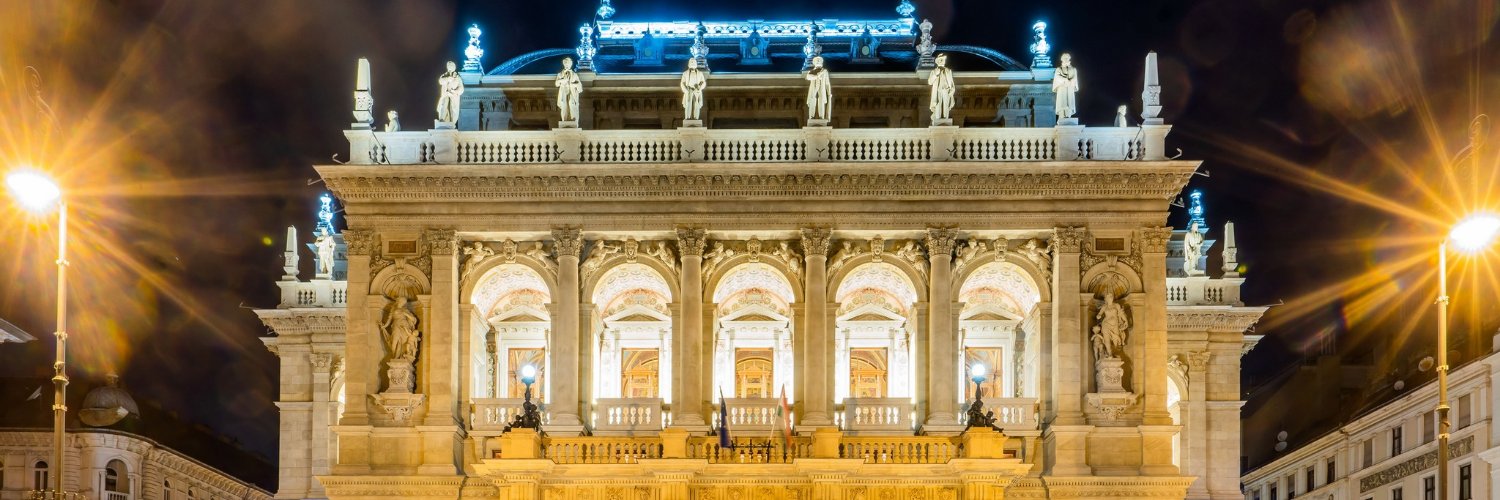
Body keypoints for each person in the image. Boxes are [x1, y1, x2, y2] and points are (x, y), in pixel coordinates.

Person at [928, 53, 955, 123]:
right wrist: (936, 75)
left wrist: (952, 89)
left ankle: (946, 118)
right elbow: (930, 82)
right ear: (937, 61)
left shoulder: (948, 71)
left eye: (943, 59)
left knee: (946, 104)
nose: (942, 61)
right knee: (938, 104)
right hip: (938, 90)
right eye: (940, 59)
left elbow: (951, 82)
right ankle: (938, 118)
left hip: (946, 89)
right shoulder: (934, 71)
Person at [555, 57, 583, 123]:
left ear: (571, 64)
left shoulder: (575, 75)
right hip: (563, 92)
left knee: (571, 104)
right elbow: (556, 84)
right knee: (564, 105)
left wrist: (574, 85)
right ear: (563, 64)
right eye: (565, 63)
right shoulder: (560, 74)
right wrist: (562, 80)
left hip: (572, 93)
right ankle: (564, 120)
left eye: (568, 63)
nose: (567, 65)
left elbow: (580, 88)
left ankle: (573, 120)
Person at [1052, 53, 1079, 120]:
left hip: (1070, 87)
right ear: (1062, 59)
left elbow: (1075, 77)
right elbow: (1057, 77)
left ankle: (1069, 116)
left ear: (1069, 59)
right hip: (1061, 87)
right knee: (1062, 102)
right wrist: (1065, 80)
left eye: (1067, 57)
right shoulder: (1059, 69)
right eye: (1064, 57)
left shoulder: (1073, 69)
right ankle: (1062, 116)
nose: (1066, 59)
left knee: (1069, 102)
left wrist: (1071, 81)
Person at [805, 56, 832, 122]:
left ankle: (821, 117)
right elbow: (808, 77)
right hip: (813, 88)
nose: (818, 61)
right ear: (814, 62)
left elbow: (827, 83)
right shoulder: (811, 71)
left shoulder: (824, 72)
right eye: (817, 60)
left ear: (822, 62)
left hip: (822, 88)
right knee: (812, 100)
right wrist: (817, 76)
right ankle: (811, 116)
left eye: (819, 60)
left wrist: (829, 92)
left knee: (821, 100)